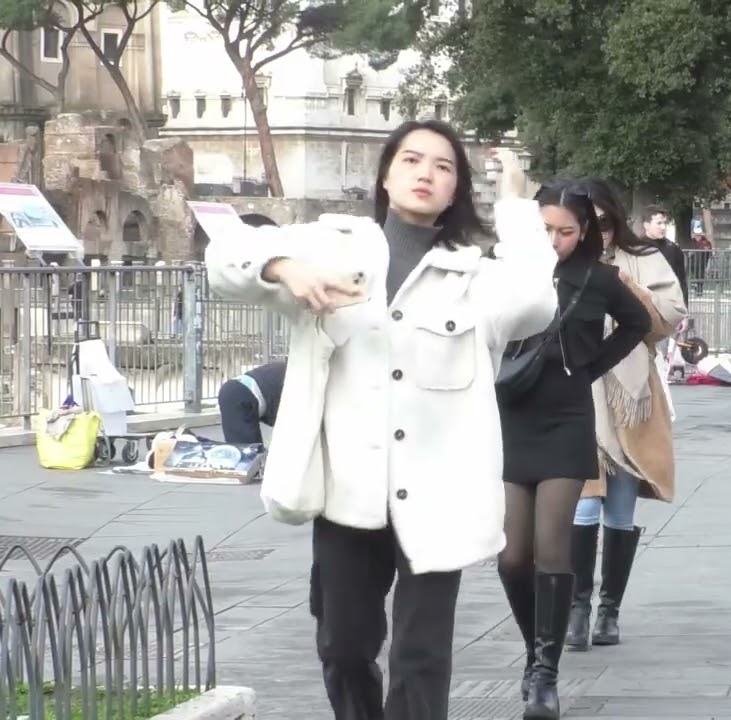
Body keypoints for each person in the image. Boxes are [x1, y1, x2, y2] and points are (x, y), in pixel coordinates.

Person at [203, 120, 558, 720]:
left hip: (438, 497)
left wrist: (517, 202)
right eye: (412, 160)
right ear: (386, 174)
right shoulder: (334, 246)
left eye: (443, 166)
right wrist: (284, 268)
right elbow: (223, 255)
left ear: (456, 190)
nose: (426, 173)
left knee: (421, 659)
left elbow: (536, 301)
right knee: (342, 646)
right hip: (349, 491)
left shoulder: (476, 278)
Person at [497, 180, 651, 720]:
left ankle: (546, 674)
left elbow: (639, 324)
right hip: (512, 416)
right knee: (514, 556)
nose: (555, 240)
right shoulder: (508, 271)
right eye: (546, 230)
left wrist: (590, 366)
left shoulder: (599, 278)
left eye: (566, 231)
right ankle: (532, 649)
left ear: (584, 231)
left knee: (552, 547)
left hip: (566, 419)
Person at [566, 179, 687, 652]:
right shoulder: (561, 258)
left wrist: (625, 287)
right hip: (575, 391)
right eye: (586, 223)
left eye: (604, 222)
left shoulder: (645, 259)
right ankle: (577, 608)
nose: (598, 232)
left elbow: (669, 315)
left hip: (630, 388)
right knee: (582, 500)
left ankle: (608, 610)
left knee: (620, 501)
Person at [217, 361, 285, 444]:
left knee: (247, 450)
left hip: (237, 391)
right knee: (248, 451)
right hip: (240, 395)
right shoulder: (297, 376)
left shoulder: (292, 368)